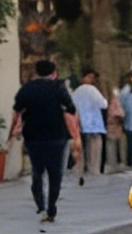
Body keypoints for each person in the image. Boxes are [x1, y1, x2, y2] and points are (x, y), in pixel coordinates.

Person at [10, 57, 80, 225]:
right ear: (54, 73)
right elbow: (70, 107)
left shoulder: (27, 88)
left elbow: (17, 109)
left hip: (33, 136)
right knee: (55, 174)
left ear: (36, 72)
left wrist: (13, 130)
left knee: (37, 171)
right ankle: (51, 207)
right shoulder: (58, 88)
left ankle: (40, 203)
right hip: (57, 136)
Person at [71, 68, 108, 183]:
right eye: (90, 77)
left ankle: (79, 169)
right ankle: (94, 169)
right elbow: (103, 104)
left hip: (80, 122)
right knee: (95, 146)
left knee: (80, 146)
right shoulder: (93, 90)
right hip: (93, 122)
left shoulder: (76, 91)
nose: (92, 80)